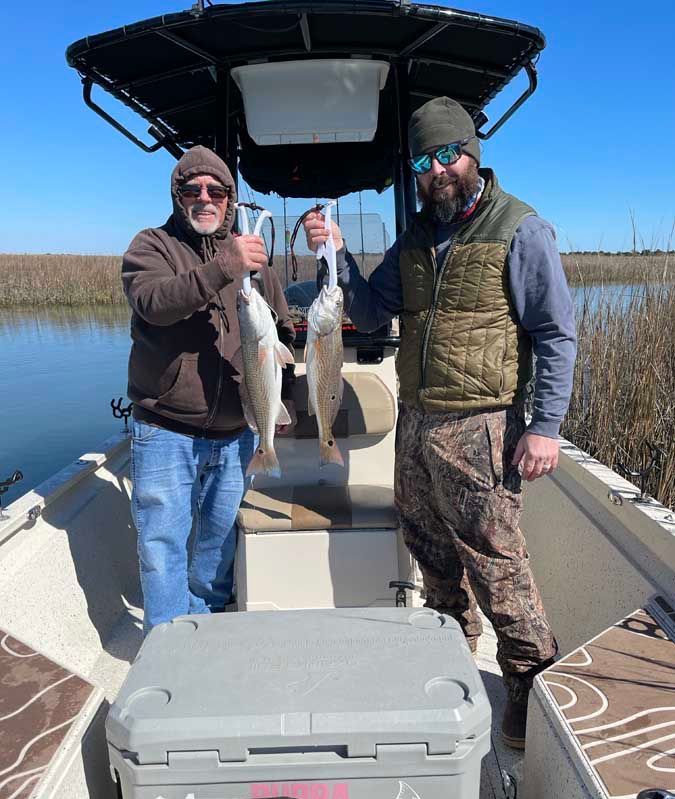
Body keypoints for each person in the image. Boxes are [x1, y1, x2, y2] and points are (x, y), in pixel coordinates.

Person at [304, 97, 576, 749]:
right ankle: (450, 661)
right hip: (417, 424)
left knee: (497, 566)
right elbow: (372, 312)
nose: (436, 171)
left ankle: (528, 687)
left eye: (447, 155)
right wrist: (338, 255)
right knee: (431, 556)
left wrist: (545, 426)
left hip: (483, 428)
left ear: (472, 154)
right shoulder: (417, 237)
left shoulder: (520, 229)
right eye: (424, 161)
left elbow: (555, 333)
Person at [122, 146, 295, 633]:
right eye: (192, 189)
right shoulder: (151, 246)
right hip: (165, 429)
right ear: (176, 196)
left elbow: (282, 330)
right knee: (162, 543)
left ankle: (208, 624)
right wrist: (223, 267)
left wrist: (286, 401)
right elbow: (153, 303)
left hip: (237, 431)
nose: (204, 198)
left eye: (216, 191)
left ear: (229, 200)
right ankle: (167, 640)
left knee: (218, 542)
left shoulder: (254, 260)